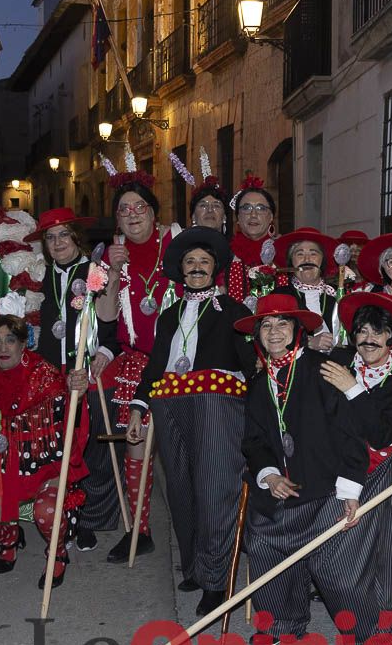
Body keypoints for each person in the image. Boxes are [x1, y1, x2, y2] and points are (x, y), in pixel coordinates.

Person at [236, 294, 389, 645]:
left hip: (328, 489)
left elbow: (351, 435)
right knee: (262, 544)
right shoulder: (258, 384)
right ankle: (282, 624)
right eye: (266, 325)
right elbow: (254, 441)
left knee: (335, 568)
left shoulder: (324, 371)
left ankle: (372, 637)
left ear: (297, 331)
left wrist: (349, 490)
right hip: (284, 491)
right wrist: (269, 475)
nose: (274, 332)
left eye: (282, 324)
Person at [126, 227, 255, 615]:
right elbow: (155, 366)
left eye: (204, 261)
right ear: (181, 270)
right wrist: (138, 408)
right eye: (190, 262)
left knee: (215, 487)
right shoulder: (168, 316)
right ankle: (196, 567)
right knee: (180, 488)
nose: (197, 267)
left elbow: (251, 365)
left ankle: (216, 580)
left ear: (215, 269)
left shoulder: (235, 312)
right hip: (169, 404)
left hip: (217, 404)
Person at [84, 170, 179, 563]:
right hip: (137, 360)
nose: (133, 214)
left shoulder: (177, 240)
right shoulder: (107, 256)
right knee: (135, 442)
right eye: (124, 210)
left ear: (154, 213)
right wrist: (111, 271)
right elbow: (105, 316)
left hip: (180, 360)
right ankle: (139, 529)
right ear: (117, 220)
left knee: (183, 448)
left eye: (140, 207)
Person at [0, 315, 89, 588]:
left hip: (46, 464)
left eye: (10, 340)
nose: (3, 348)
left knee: (46, 512)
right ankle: (9, 537)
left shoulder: (44, 374)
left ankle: (57, 553)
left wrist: (78, 393)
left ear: (23, 344)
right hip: (5, 466)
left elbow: (72, 420)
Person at [324, 291, 392, 629]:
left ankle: (383, 627)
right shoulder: (338, 361)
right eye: (362, 331)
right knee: (333, 543)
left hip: (389, 463)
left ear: (391, 338)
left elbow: (382, 434)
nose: (368, 340)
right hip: (340, 460)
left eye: (378, 333)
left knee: (379, 544)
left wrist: (352, 388)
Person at [25, 208, 118, 554]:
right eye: (50, 237)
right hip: (52, 378)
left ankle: (89, 519)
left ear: (76, 238)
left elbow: (114, 322)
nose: (57, 242)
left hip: (89, 374)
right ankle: (64, 515)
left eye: (63, 234)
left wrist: (103, 352)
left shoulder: (96, 272)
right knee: (59, 450)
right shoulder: (38, 278)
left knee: (92, 451)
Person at [272, 227, 340, 351]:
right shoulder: (279, 296)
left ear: (322, 260)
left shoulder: (337, 294)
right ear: (292, 262)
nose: (307, 259)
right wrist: (307, 342)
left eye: (313, 254)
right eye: (300, 254)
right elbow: (270, 338)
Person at [226, 175, 285, 304]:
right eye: (246, 208)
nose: (253, 215)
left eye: (260, 208)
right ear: (238, 217)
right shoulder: (226, 256)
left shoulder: (284, 254)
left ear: (271, 217)